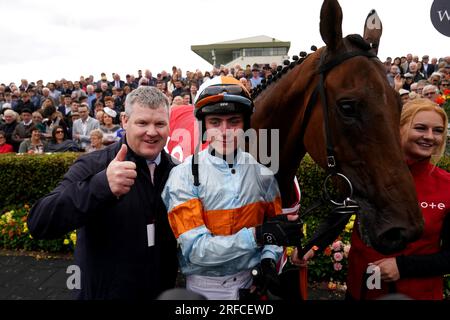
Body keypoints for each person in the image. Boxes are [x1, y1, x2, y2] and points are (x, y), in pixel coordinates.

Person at [27, 86, 179, 299]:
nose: (152, 132)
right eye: (142, 123)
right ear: (125, 121)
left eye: (160, 123)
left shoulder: (178, 172)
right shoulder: (93, 165)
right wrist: (99, 187)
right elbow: (39, 222)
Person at [293, 98, 450, 300]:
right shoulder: (366, 175)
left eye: (437, 130)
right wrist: (312, 248)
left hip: (417, 294)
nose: (430, 137)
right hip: (361, 291)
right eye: (420, 128)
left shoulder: (447, 186)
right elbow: (340, 216)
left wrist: (403, 267)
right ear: (397, 129)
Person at [162, 77, 303, 300]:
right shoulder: (183, 176)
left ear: (245, 125)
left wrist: (268, 259)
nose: (225, 131)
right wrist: (258, 236)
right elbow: (196, 251)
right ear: (204, 127)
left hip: (253, 285)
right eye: (215, 122)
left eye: (234, 121)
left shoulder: (263, 174)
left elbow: (274, 232)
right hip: (204, 289)